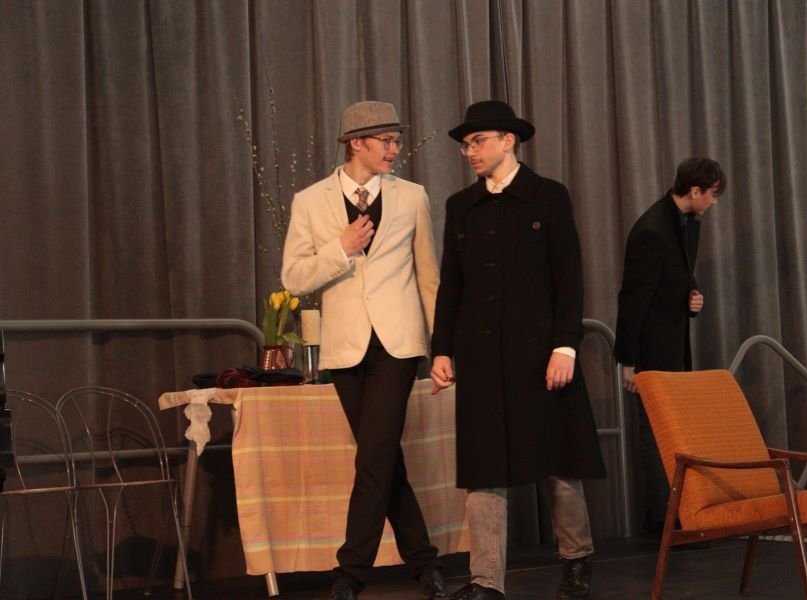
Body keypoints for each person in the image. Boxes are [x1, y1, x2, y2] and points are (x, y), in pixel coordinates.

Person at [431, 100, 605, 600]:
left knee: (557, 459)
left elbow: (568, 276)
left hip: (541, 353)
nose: (470, 151)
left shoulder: (548, 196)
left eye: (478, 141)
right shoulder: (461, 206)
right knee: (484, 466)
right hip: (482, 356)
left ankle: (575, 560)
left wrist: (565, 346)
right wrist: (442, 349)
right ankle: (486, 581)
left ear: (509, 141)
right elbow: (452, 285)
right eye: (466, 145)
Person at [281, 101, 445, 600]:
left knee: (374, 457)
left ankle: (350, 572)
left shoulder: (412, 196)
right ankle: (424, 562)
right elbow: (294, 277)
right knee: (383, 458)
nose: (395, 149)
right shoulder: (310, 201)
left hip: (398, 346)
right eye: (386, 141)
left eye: (397, 140)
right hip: (346, 350)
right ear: (357, 143)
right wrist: (341, 249)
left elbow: (429, 277)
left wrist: (443, 348)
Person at [613, 156, 726, 535]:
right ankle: (666, 521)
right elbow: (633, 298)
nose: (714, 201)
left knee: (674, 431)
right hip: (650, 348)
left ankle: (678, 516)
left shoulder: (688, 223)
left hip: (674, 343)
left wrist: (693, 298)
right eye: (712, 194)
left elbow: (678, 278)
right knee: (656, 431)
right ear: (694, 191)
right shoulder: (652, 229)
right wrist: (629, 360)